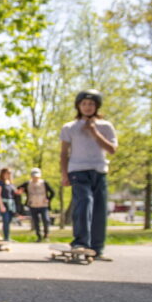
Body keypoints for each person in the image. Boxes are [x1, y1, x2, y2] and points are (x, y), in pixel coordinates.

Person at [60, 89, 118, 260]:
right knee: (84, 203)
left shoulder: (106, 126)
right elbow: (64, 153)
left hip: (99, 171)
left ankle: (97, 248)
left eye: (91, 104)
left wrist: (94, 131)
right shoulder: (69, 127)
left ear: (97, 106)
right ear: (78, 106)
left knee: (100, 210)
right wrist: (64, 174)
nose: (87, 107)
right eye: (84, 104)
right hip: (78, 171)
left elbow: (112, 149)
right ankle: (81, 243)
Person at [17, 168, 55, 242]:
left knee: (46, 220)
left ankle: (46, 235)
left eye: (37, 176)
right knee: (36, 221)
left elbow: (52, 192)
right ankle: (39, 237)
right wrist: (23, 191)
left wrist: (48, 199)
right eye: (34, 176)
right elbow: (19, 188)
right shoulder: (28, 183)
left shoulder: (44, 183)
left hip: (43, 205)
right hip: (33, 205)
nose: (35, 178)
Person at [0, 167, 18, 242]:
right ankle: (6, 237)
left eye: (10, 173)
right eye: (8, 172)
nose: (9, 174)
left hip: (11, 204)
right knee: (6, 220)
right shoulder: (0, 182)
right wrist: (1, 205)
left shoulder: (10, 183)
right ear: (3, 173)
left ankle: (8, 236)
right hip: (4, 203)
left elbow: (14, 193)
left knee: (9, 221)